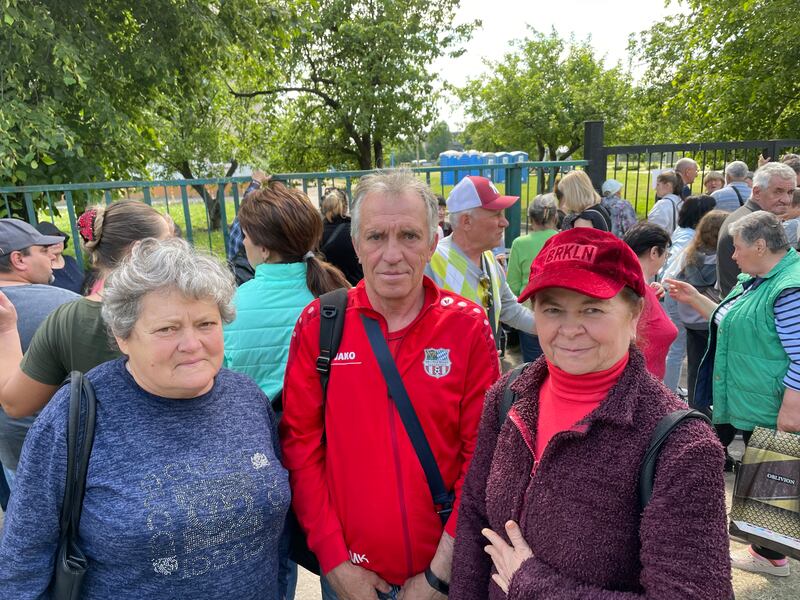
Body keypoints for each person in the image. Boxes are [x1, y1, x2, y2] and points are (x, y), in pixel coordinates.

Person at [450, 227, 731, 599]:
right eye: (553, 309)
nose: (569, 329)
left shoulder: (681, 445)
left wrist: (533, 585)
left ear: (634, 314)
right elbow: (475, 518)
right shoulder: (510, 396)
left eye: (592, 309)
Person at [0, 238, 290, 598]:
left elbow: (278, 539)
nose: (191, 344)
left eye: (206, 323)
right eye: (167, 329)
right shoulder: (75, 416)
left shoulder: (246, 398)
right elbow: (23, 560)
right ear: (123, 336)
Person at [280, 169, 500, 600]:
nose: (392, 254)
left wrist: (441, 572)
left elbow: (482, 456)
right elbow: (301, 450)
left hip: (444, 575)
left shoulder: (467, 327)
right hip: (350, 576)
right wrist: (334, 562)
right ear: (356, 245)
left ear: (433, 242)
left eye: (409, 236)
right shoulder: (320, 325)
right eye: (377, 237)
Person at [666, 211, 800, 577]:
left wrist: (792, 405)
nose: (733, 256)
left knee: (775, 473)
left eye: (738, 248)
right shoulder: (764, 279)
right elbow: (740, 322)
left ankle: (770, 555)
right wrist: (695, 298)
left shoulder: (789, 288)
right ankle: (767, 552)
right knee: (769, 470)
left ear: (760, 246)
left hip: (775, 402)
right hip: (761, 398)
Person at [0, 200, 172, 419]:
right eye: (168, 243)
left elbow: (16, 404)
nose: (177, 252)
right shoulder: (188, 310)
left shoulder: (69, 318)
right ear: (137, 251)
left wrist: (6, 330)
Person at [225, 180, 349, 402]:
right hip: (324, 420)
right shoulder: (339, 294)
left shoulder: (231, 306)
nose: (243, 242)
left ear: (264, 249)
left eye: (245, 235)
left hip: (258, 421)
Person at [0, 219, 77, 489]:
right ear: (19, 259)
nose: (51, 258)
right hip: (65, 449)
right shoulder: (65, 305)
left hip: (12, 450)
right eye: (43, 251)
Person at [426, 175, 535, 355]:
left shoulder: (489, 259)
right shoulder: (431, 260)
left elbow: (510, 309)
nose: (505, 222)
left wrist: (555, 328)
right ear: (466, 221)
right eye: (496, 214)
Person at [671, 210, 728, 410]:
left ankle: (695, 406)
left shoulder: (690, 254)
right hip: (710, 317)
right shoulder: (723, 257)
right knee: (716, 367)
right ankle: (714, 407)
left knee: (695, 365)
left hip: (690, 319)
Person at [660, 195, 717, 392]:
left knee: (677, 349)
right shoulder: (688, 239)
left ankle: (670, 388)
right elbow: (670, 268)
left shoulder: (685, 236)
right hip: (680, 296)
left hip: (676, 295)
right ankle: (669, 391)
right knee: (677, 349)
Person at [716, 162, 797, 297]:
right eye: (778, 191)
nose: (786, 200)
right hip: (747, 303)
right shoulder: (757, 224)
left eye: (790, 192)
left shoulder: (746, 216)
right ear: (757, 192)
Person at [506, 193, 558, 362]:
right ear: (555, 217)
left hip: (531, 311)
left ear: (531, 219)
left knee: (531, 365)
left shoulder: (519, 243)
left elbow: (513, 285)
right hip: (561, 311)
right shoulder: (564, 239)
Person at [623, 223, 678, 380]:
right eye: (665, 254)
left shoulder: (633, 286)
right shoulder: (638, 291)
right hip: (637, 383)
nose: (665, 259)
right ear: (654, 252)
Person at [320, 187, 363, 286]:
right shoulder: (354, 230)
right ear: (345, 207)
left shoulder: (316, 233)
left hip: (326, 288)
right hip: (355, 287)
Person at [34, 221, 84, 293]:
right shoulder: (42, 269)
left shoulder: (70, 260)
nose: (56, 242)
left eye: (58, 237)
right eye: (50, 239)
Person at [647, 169, 684, 234]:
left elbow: (653, 229)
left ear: (668, 185)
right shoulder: (681, 202)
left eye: (658, 184)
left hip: (665, 240)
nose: (655, 188)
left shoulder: (662, 204)